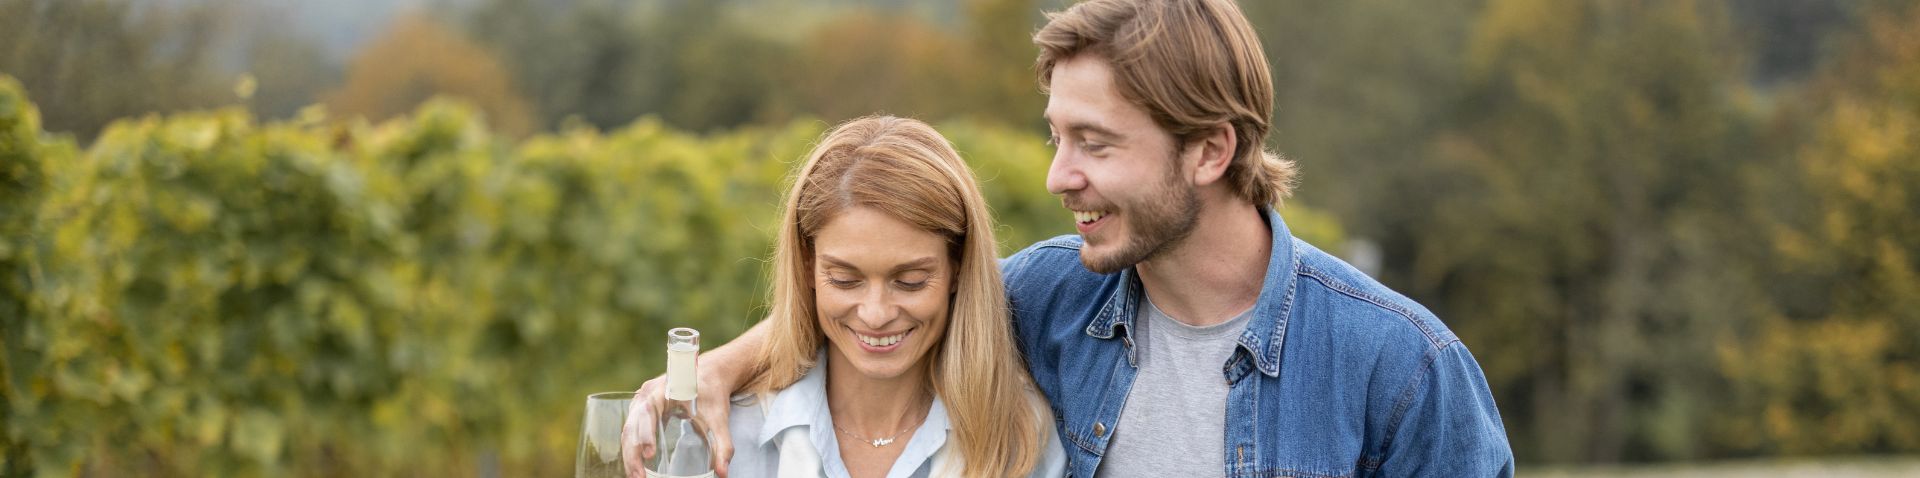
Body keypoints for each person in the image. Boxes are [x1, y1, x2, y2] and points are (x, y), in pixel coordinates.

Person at [633, 0, 1514, 476]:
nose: (1058, 177)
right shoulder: (1055, 296)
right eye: (1057, 136)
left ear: (1210, 150)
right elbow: (881, 302)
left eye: (1095, 143)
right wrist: (713, 370)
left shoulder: (1399, 368)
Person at [624, 116, 1065, 478]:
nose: (875, 314)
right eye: (845, 280)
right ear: (808, 265)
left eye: (910, 281)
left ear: (957, 269)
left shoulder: (1024, 437)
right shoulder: (726, 432)